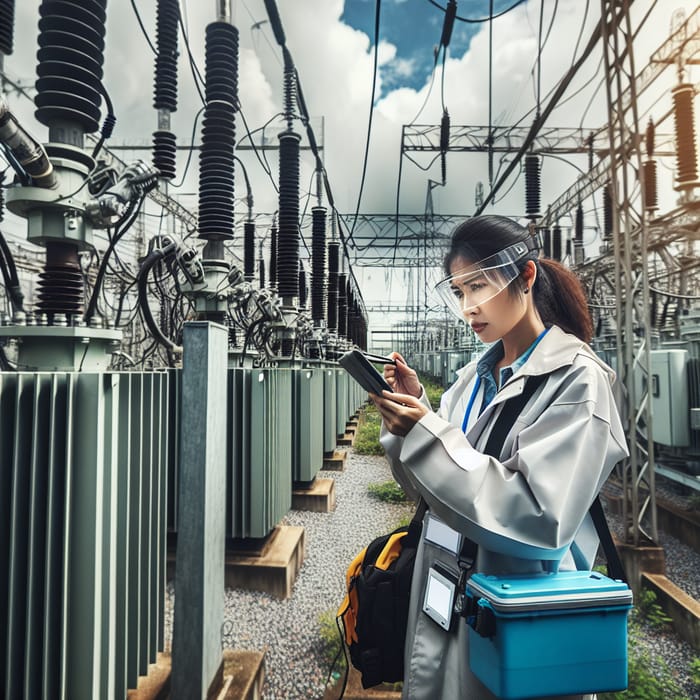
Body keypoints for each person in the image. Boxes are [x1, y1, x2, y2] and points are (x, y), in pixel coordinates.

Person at [371, 215, 628, 700]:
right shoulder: (471, 380)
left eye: (479, 287)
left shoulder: (576, 381)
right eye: (460, 292)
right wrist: (414, 420)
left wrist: (426, 435)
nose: (469, 307)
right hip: (447, 589)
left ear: (525, 276)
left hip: (520, 608)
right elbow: (428, 489)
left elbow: (537, 515)